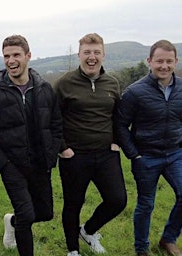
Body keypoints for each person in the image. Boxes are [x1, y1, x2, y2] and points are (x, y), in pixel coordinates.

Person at [0, 35, 62, 256]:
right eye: (6, 56)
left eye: (16, 55)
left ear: (28, 56)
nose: (11, 60)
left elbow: (56, 123)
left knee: (45, 213)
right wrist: (3, 163)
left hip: (40, 164)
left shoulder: (44, 88)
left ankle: (12, 222)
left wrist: (51, 153)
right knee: (27, 217)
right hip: (12, 166)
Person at [115, 40, 182, 256]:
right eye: (159, 61)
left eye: (169, 61)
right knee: (146, 204)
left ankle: (168, 239)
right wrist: (134, 154)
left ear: (176, 62)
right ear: (150, 61)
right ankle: (141, 249)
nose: (164, 66)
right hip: (146, 156)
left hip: (177, 153)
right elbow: (121, 124)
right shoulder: (134, 92)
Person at [53, 33, 127, 256]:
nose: (91, 57)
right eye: (87, 52)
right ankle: (73, 250)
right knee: (73, 203)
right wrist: (63, 148)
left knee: (117, 200)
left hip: (106, 155)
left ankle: (88, 230)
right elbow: (52, 120)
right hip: (74, 156)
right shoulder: (64, 83)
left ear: (103, 55)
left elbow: (118, 117)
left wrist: (116, 142)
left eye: (96, 52)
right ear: (79, 55)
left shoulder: (112, 83)